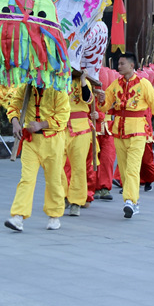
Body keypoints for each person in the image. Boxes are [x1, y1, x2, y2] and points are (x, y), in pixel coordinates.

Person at [99, 52, 154, 218]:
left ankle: (129, 200)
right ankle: (134, 202)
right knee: (123, 169)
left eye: (122, 63)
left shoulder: (144, 84)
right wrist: (101, 99)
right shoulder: (115, 85)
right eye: (118, 63)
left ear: (131, 65)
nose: (119, 66)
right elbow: (104, 107)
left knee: (132, 167)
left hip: (137, 131)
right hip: (118, 132)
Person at [4, 80, 71, 232]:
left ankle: (54, 216)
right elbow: (13, 106)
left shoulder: (58, 88)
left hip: (53, 140)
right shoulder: (26, 87)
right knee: (26, 179)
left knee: (54, 179)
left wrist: (41, 125)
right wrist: (15, 123)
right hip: (31, 141)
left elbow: (63, 116)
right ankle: (18, 216)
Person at [64, 73, 97, 216]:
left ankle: (76, 201)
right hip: (60, 127)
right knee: (58, 165)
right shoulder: (57, 79)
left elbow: (88, 99)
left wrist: (83, 80)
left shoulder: (84, 82)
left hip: (81, 128)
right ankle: (62, 195)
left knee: (78, 166)